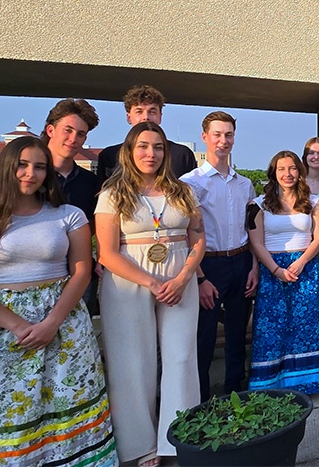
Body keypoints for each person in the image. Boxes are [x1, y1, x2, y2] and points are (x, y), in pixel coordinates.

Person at [0, 137, 116, 466]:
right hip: (4, 327)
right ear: (7, 167)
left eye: (39, 167)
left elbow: (82, 271)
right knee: (11, 413)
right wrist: (19, 326)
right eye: (22, 164)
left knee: (68, 401)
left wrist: (52, 322)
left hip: (64, 323)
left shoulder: (68, 215)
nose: (30, 173)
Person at [95, 121, 205, 465]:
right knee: (132, 362)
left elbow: (198, 237)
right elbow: (107, 253)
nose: (151, 153)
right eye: (143, 146)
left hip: (179, 280)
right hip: (129, 283)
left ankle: (180, 437)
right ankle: (141, 446)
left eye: (158, 147)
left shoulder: (183, 192)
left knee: (181, 358)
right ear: (129, 151)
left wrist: (186, 275)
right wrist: (152, 283)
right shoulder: (112, 194)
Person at [180, 111, 258, 401]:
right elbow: (187, 232)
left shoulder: (244, 184)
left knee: (238, 333)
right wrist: (199, 278)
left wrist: (253, 267)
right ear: (205, 137)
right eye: (217, 134)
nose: (223, 140)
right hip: (208, 265)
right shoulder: (190, 183)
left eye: (228, 135)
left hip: (240, 261)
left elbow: (249, 228)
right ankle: (200, 400)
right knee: (204, 337)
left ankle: (236, 392)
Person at [248, 150, 319, 392]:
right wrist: (275, 270)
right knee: (273, 327)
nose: (287, 174)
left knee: (307, 325)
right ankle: (271, 384)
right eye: (281, 169)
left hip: (306, 268)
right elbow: (256, 242)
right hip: (273, 270)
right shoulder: (257, 204)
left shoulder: (313, 202)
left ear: (299, 171)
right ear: (273, 172)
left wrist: (302, 261)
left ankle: (308, 382)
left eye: (292, 168)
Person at [41, 98, 102, 312]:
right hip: (38, 273)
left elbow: (96, 223)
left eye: (81, 134)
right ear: (50, 130)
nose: (73, 139)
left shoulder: (90, 181)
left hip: (80, 271)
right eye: (68, 130)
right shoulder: (29, 177)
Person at [97, 85, 197, 180]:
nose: (146, 117)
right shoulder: (110, 156)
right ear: (128, 117)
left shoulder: (182, 155)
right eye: (139, 112)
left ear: (160, 116)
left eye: (152, 112)